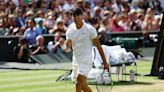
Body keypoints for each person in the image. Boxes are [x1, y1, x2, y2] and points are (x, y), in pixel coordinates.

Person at [60, 8, 109, 92]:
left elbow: (99, 47)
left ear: (82, 16)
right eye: (74, 16)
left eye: (78, 15)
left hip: (86, 61)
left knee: (78, 83)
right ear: (72, 17)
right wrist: (62, 46)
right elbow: (68, 49)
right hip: (76, 60)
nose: (76, 18)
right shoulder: (70, 30)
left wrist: (105, 63)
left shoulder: (90, 29)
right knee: (83, 85)